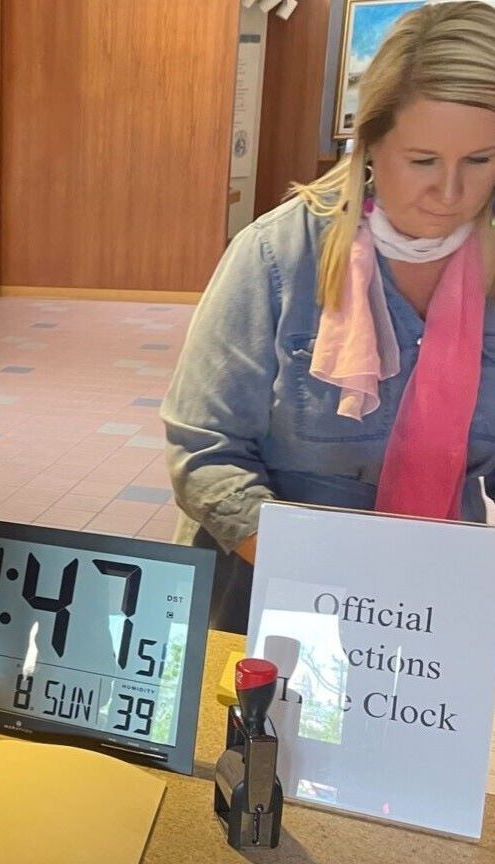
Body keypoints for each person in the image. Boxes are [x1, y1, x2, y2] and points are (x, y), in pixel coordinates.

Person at [162, 2, 495, 634]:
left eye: (480, 161)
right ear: (369, 144)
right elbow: (205, 453)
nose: (450, 194)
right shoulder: (276, 257)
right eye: (422, 160)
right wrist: (338, 588)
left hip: (434, 600)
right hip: (265, 593)